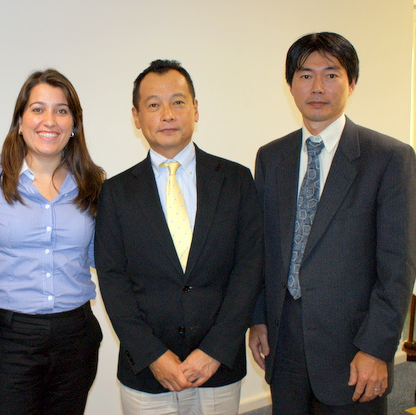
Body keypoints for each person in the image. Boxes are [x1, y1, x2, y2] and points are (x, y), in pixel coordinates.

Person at [248, 32, 416, 414]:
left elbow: (398, 266)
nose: (317, 87)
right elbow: (263, 249)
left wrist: (376, 348)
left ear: (351, 82)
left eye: (331, 74)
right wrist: (258, 320)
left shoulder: (389, 157)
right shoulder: (271, 157)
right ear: (291, 84)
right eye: (305, 75)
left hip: (353, 346)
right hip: (283, 342)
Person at [94, 59, 263, 415]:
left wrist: (215, 350)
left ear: (195, 109)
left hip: (219, 367)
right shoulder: (116, 192)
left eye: (178, 102)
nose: (167, 114)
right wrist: (152, 355)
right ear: (136, 117)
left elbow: (249, 269)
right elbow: (112, 280)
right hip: (147, 371)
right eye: (154, 104)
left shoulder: (236, 180)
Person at [0, 69, 105, 415]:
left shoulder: (93, 183)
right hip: (7, 338)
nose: (50, 120)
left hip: (75, 336)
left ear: (74, 124)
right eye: (38, 109)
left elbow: (101, 258)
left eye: (61, 110)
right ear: (19, 120)